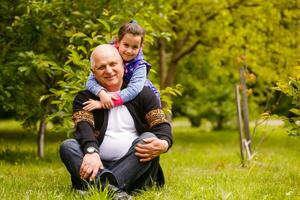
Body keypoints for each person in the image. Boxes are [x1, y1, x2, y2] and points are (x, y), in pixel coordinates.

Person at [60, 44, 172, 200]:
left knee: (147, 137)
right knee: (68, 146)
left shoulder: (143, 94)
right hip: (98, 165)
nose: (109, 70)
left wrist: (164, 144)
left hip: (136, 167)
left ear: (122, 65)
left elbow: (161, 125)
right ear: (93, 72)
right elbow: (83, 127)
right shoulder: (85, 98)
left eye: (113, 64)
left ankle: (98, 187)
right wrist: (91, 151)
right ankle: (113, 190)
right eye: (101, 67)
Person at [86, 20, 160, 109]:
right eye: (126, 45)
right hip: (119, 96)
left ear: (140, 47)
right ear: (118, 41)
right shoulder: (109, 55)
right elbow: (90, 81)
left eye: (135, 47)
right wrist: (102, 93)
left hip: (143, 100)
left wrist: (105, 103)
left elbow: (133, 90)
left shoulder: (140, 66)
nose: (129, 51)